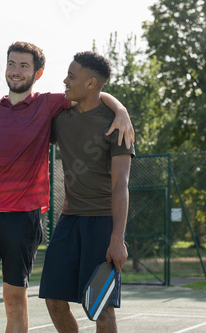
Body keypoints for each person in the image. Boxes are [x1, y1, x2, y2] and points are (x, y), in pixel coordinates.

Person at [0, 42, 133, 333]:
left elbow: (121, 182)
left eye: (24, 65)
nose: (16, 71)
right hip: (21, 217)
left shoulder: (72, 113)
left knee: (85, 308)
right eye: (11, 64)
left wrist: (121, 110)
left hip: (57, 219)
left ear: (37, 72)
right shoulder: (9, 114)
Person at [39, 51, 134, 333]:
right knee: (54, 300)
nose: (65, 81)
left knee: (100, 308)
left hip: (102, 222)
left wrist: (117, 238)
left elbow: (121, 185)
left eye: (72, 76)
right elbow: (28, 116)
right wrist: (0, 104)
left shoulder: (116, 124)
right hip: (69, 221)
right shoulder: (61, 119)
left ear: (91, 83)